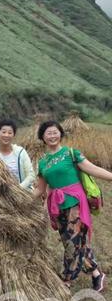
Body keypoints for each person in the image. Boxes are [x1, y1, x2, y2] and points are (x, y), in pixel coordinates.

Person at [33, 120, 112, 292]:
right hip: (57, 205)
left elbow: (92, 169)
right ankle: (97, 274)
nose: (52, 135)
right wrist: (18, 199)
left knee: (72, 242)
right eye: (48, 133)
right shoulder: (43, 162)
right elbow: (40, 190)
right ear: (43, 138)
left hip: (75, 202)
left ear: (60, 134)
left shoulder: (71, 153)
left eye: (55, 132)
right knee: (75, 241)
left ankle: (66, 281)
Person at [0, 119, 35, 190]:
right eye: (3, 132)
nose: (6, 135)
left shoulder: (20, 152)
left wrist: (19, 188)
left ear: (14, 135)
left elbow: (31, 175)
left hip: (21, 193)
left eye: (10, 133)